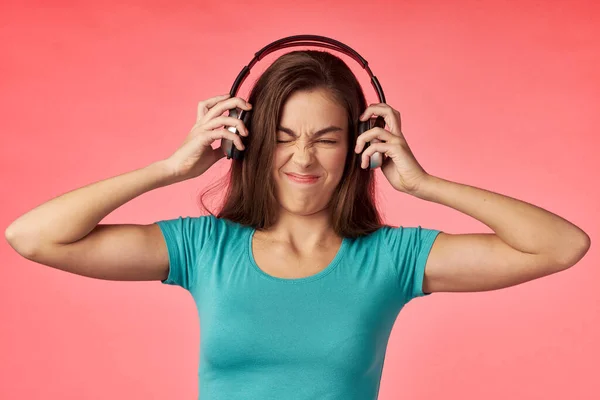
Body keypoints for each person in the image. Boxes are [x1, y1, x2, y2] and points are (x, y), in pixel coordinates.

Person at [5, 50, 591, 399]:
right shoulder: (202, 247)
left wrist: (421, 184)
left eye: (327, 139)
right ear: (251, 145)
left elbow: (562, 246)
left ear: (360, 147)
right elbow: (32, 236)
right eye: (283, 138)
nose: (303, 159)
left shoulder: (393, 258)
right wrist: (172, 167)